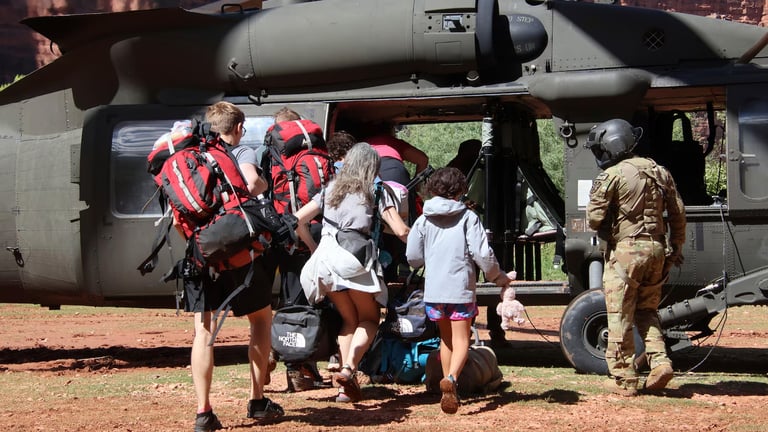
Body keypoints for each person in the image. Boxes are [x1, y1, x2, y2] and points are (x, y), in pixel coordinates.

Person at [187, 101, 284, 432]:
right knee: (260, 319)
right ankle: (257, 400)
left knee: (203, 330)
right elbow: (252, 184)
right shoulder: (240, 153)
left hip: (199, 254)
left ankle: (203, 412)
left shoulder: (190, 158)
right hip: (241, 252)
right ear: (238, 128)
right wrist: (263, 188)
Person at [296, 142, 410, 403]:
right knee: (369, 319)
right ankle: (348, 369)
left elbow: (297, 220)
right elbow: (401, 230)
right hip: (353, 260)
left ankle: (344, 389)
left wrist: (314, 247)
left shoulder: (330, 189)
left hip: (325, 262)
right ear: (373, 166)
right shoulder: (377, 189)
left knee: (349, 321)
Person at [585, 118, 686, 396]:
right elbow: (678, 213)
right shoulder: (660, 171)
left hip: (627, 252)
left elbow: (593, 219)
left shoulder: (612, 175)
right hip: (657, 250)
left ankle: (624, 379)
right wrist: (676, 247)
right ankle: (660, 362)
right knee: (646, 311)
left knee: (619, 314)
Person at [405, 167, 515, 414]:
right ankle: (452, 380)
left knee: (446, 339)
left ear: (433, 188)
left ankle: (448, 386)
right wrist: (497, 276)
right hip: (460, 289)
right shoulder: (468, 217)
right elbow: (483, 254)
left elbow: (413, 257)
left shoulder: (423, 219)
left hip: (434, 290)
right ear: (461, 190)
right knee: (462, 337)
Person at [261, 106, 327, 392]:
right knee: (311, 299)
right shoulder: (316, 154)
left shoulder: (272, 156)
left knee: (292, 299)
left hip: (288, 232)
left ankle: (295, 368)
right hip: (316, 228)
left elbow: (264, 191)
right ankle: (301, 365)